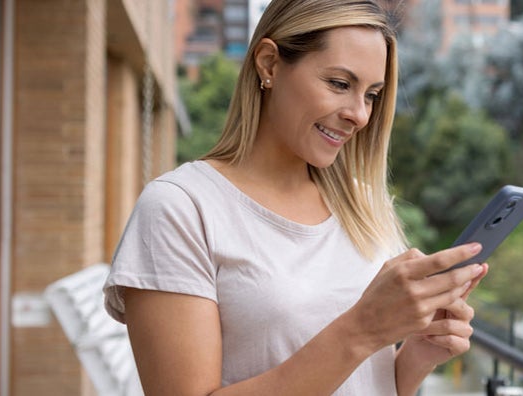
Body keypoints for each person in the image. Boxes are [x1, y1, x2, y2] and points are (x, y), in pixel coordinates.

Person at [102, 0, 490, 394]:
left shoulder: (362, 206)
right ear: (269, 64)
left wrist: (418, 354)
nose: (359, 114)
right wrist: (362, 329)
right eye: (340, 84)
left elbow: (367, 384)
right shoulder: (182, 209)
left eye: (371, 94)